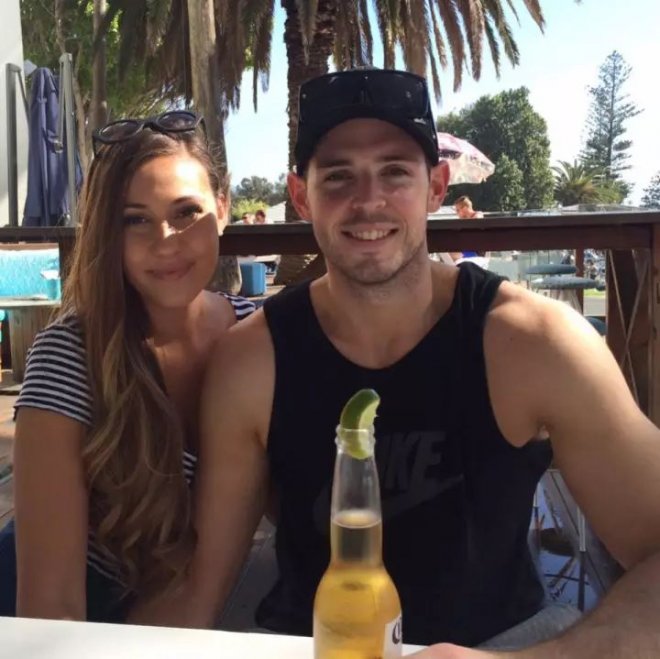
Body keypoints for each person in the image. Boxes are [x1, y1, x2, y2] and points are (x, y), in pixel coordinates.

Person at [148, 71, 660, 656]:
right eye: (338, 176)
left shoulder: (535, 343)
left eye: (395, 171)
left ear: (436, 186)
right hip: (309, 644)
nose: (368, 200)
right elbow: (202, 587)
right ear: (301, 196)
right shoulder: (253, 361)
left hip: (504, 643)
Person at [0, 111, 254, 622]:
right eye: (134, 219)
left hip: (183, 604)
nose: (165, 240)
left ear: (222, 209)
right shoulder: (70, 356)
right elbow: (51, 610)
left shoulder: (259, 337)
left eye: (187, 211)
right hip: (69, 614)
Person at [449, 195, 487, 265]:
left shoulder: (478, 216)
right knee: (446, 252)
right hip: (467, 250)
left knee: (447, 253)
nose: (457, 213)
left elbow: (478, 219)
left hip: (474, 253)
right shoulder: (465, 220)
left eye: (458, 210)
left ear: (465, 208)